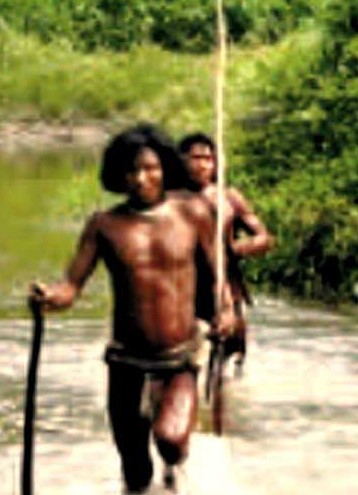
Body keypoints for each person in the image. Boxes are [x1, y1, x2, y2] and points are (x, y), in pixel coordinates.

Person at [30, 125, 228, 493]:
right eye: (132, 171)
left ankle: (177, 465)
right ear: (119, 177)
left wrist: (225, 311)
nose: (141, 178)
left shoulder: (194, 213)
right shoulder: (104, 226)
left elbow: (217, 275)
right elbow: (71, 286)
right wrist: (50, 298)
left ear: (166, 169)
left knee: (170, 439)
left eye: (150, 168)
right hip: (125, 360)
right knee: (136, 472)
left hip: (179, 356)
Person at [179, 132, 275, 426]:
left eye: (207, 158)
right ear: (181, 161)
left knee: (230, 353)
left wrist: (235, 249)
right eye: (195, 158)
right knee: (183, 359)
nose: (202, 165)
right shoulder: (171, 198)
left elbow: (264, 237)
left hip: (225, 285)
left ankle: (221, 416)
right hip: (184, 287)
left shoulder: (229, 198)